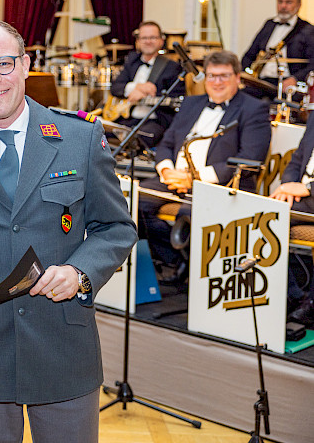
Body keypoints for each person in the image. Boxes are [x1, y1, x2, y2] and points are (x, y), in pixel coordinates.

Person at [0, 18, 136, 443]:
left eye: (3, 63)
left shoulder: (79, 137)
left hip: (62, 344)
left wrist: (80, 273)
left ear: (25, 65)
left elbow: (115, 227)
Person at [138, 50, 271, 284]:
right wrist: (167, 171)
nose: (217, 82)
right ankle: (176, 260)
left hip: (220, 185)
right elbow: (166, 143)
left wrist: (194, 179)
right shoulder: (191, 103)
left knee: (188, 215)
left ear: (237, 78)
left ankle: (194, 273)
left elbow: (249, 159)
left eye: (224, 76)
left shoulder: (254, 109)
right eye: (211, 76)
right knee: (132, 203)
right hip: (173, 177)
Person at [109, 21, 185, 147]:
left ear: (161, 41)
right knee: (99, 133)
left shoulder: (172, 67)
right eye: (144, 38)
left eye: (153, 37)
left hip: (155, 121)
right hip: (128, 118)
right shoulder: (131, 61)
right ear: (138, 41)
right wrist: (136, 87)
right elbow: (115, 88)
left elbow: (177, 98)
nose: (148, 41)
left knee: (139, 139)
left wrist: (146, 96)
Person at [269, 122, 314, 327]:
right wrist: (287, 185)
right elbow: (297, 159)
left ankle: (310, 304)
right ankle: (291, 295)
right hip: (300, 195)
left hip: (308, 193)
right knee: (262, 216)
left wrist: (307, 188)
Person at [240, 0, 314, 89]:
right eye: (280, 2)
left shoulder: (308, 30)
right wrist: (245, 74)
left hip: (288, 84)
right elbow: (249, 55)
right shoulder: (269, 24)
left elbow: (312, 64)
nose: (283, 6)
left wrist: (295, 79)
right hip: (262, 82)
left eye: (288, 2)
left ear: (299, 5)